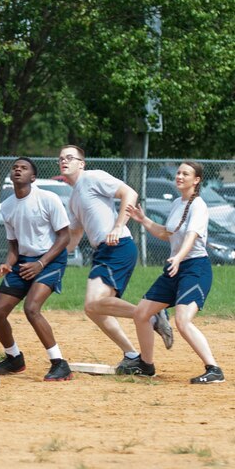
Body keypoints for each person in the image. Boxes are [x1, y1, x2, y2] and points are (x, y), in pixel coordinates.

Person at [58, 145, 173, 371]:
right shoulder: (73, 198)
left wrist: (118, 226)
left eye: (70, 158)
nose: (64, 161)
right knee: (93, 308)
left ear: (82, 163)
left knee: (94, 303)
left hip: (118, 245)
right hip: (104, 251)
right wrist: (51, 260)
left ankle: (150, 314)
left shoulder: (92, 177)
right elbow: (75, 235)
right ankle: (132, 354)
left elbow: (130, 193)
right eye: (61, 158)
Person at [122, 162, 224, 383]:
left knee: (183, 320)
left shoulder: (199, 205)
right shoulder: (178, 203)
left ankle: (214, 369)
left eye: (185, 173)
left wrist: (178, 258)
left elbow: (191, 237)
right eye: (178, 172)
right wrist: (144, 220)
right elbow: (167, 234)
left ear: (196, 180)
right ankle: (146, 365)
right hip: (175, 266)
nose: (179, 176)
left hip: (195, 268)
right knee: (141, 313)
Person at [0, 158, 73, 381]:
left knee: (31, 308)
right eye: (15, 167)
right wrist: (8, 263)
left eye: (24, 168)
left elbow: (65, 236)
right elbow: (14, 245)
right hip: (23, 262)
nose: (18, 169)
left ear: (33, 177)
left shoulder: (48, 199)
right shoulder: (7, 206)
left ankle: (59, 363)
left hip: (50, 260)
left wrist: (41, 264)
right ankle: (14, 358)